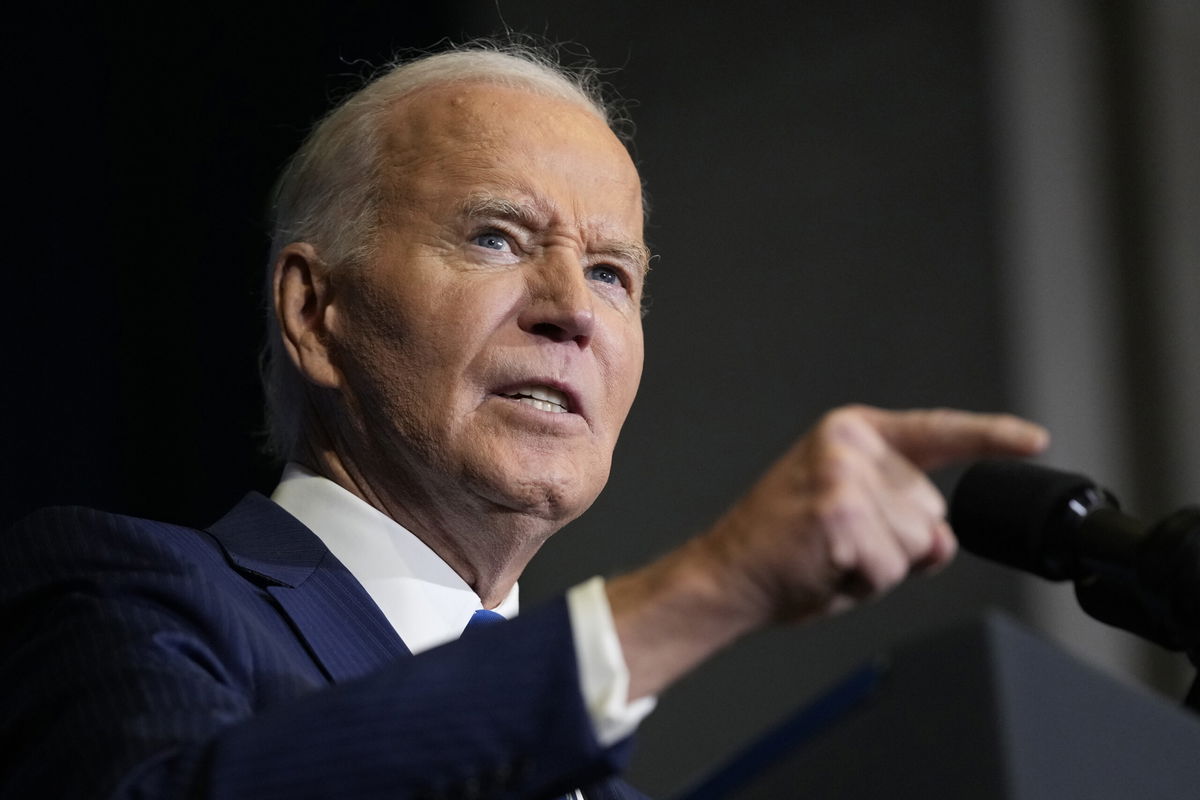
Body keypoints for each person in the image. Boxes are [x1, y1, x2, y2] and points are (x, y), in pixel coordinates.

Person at [0, 43, 1048, 799]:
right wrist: (713, 583)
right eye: (498, 237)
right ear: (315, 313)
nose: (572, 311)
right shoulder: (125, 596)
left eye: (610, 271)